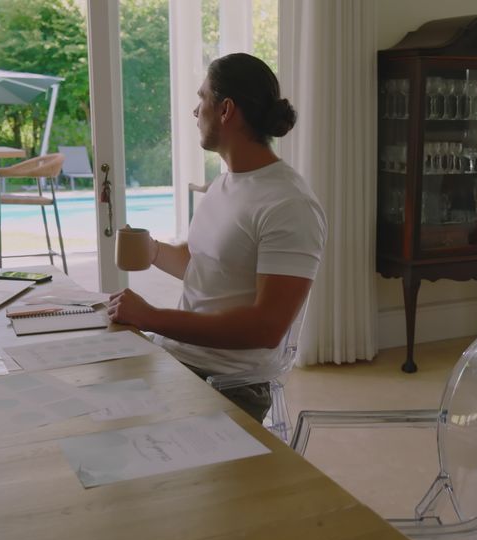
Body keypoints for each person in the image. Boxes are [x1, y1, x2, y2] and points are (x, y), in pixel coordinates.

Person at [106, 53, 327, 422]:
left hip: (228, 384)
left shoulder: (290, 204)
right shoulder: (223, 184)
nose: (195, 111)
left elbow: (267, 326)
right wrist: (154, 251)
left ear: (225, 110)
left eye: (202, 98)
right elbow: (206, 267)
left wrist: (151, 317)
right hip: (180, 360)